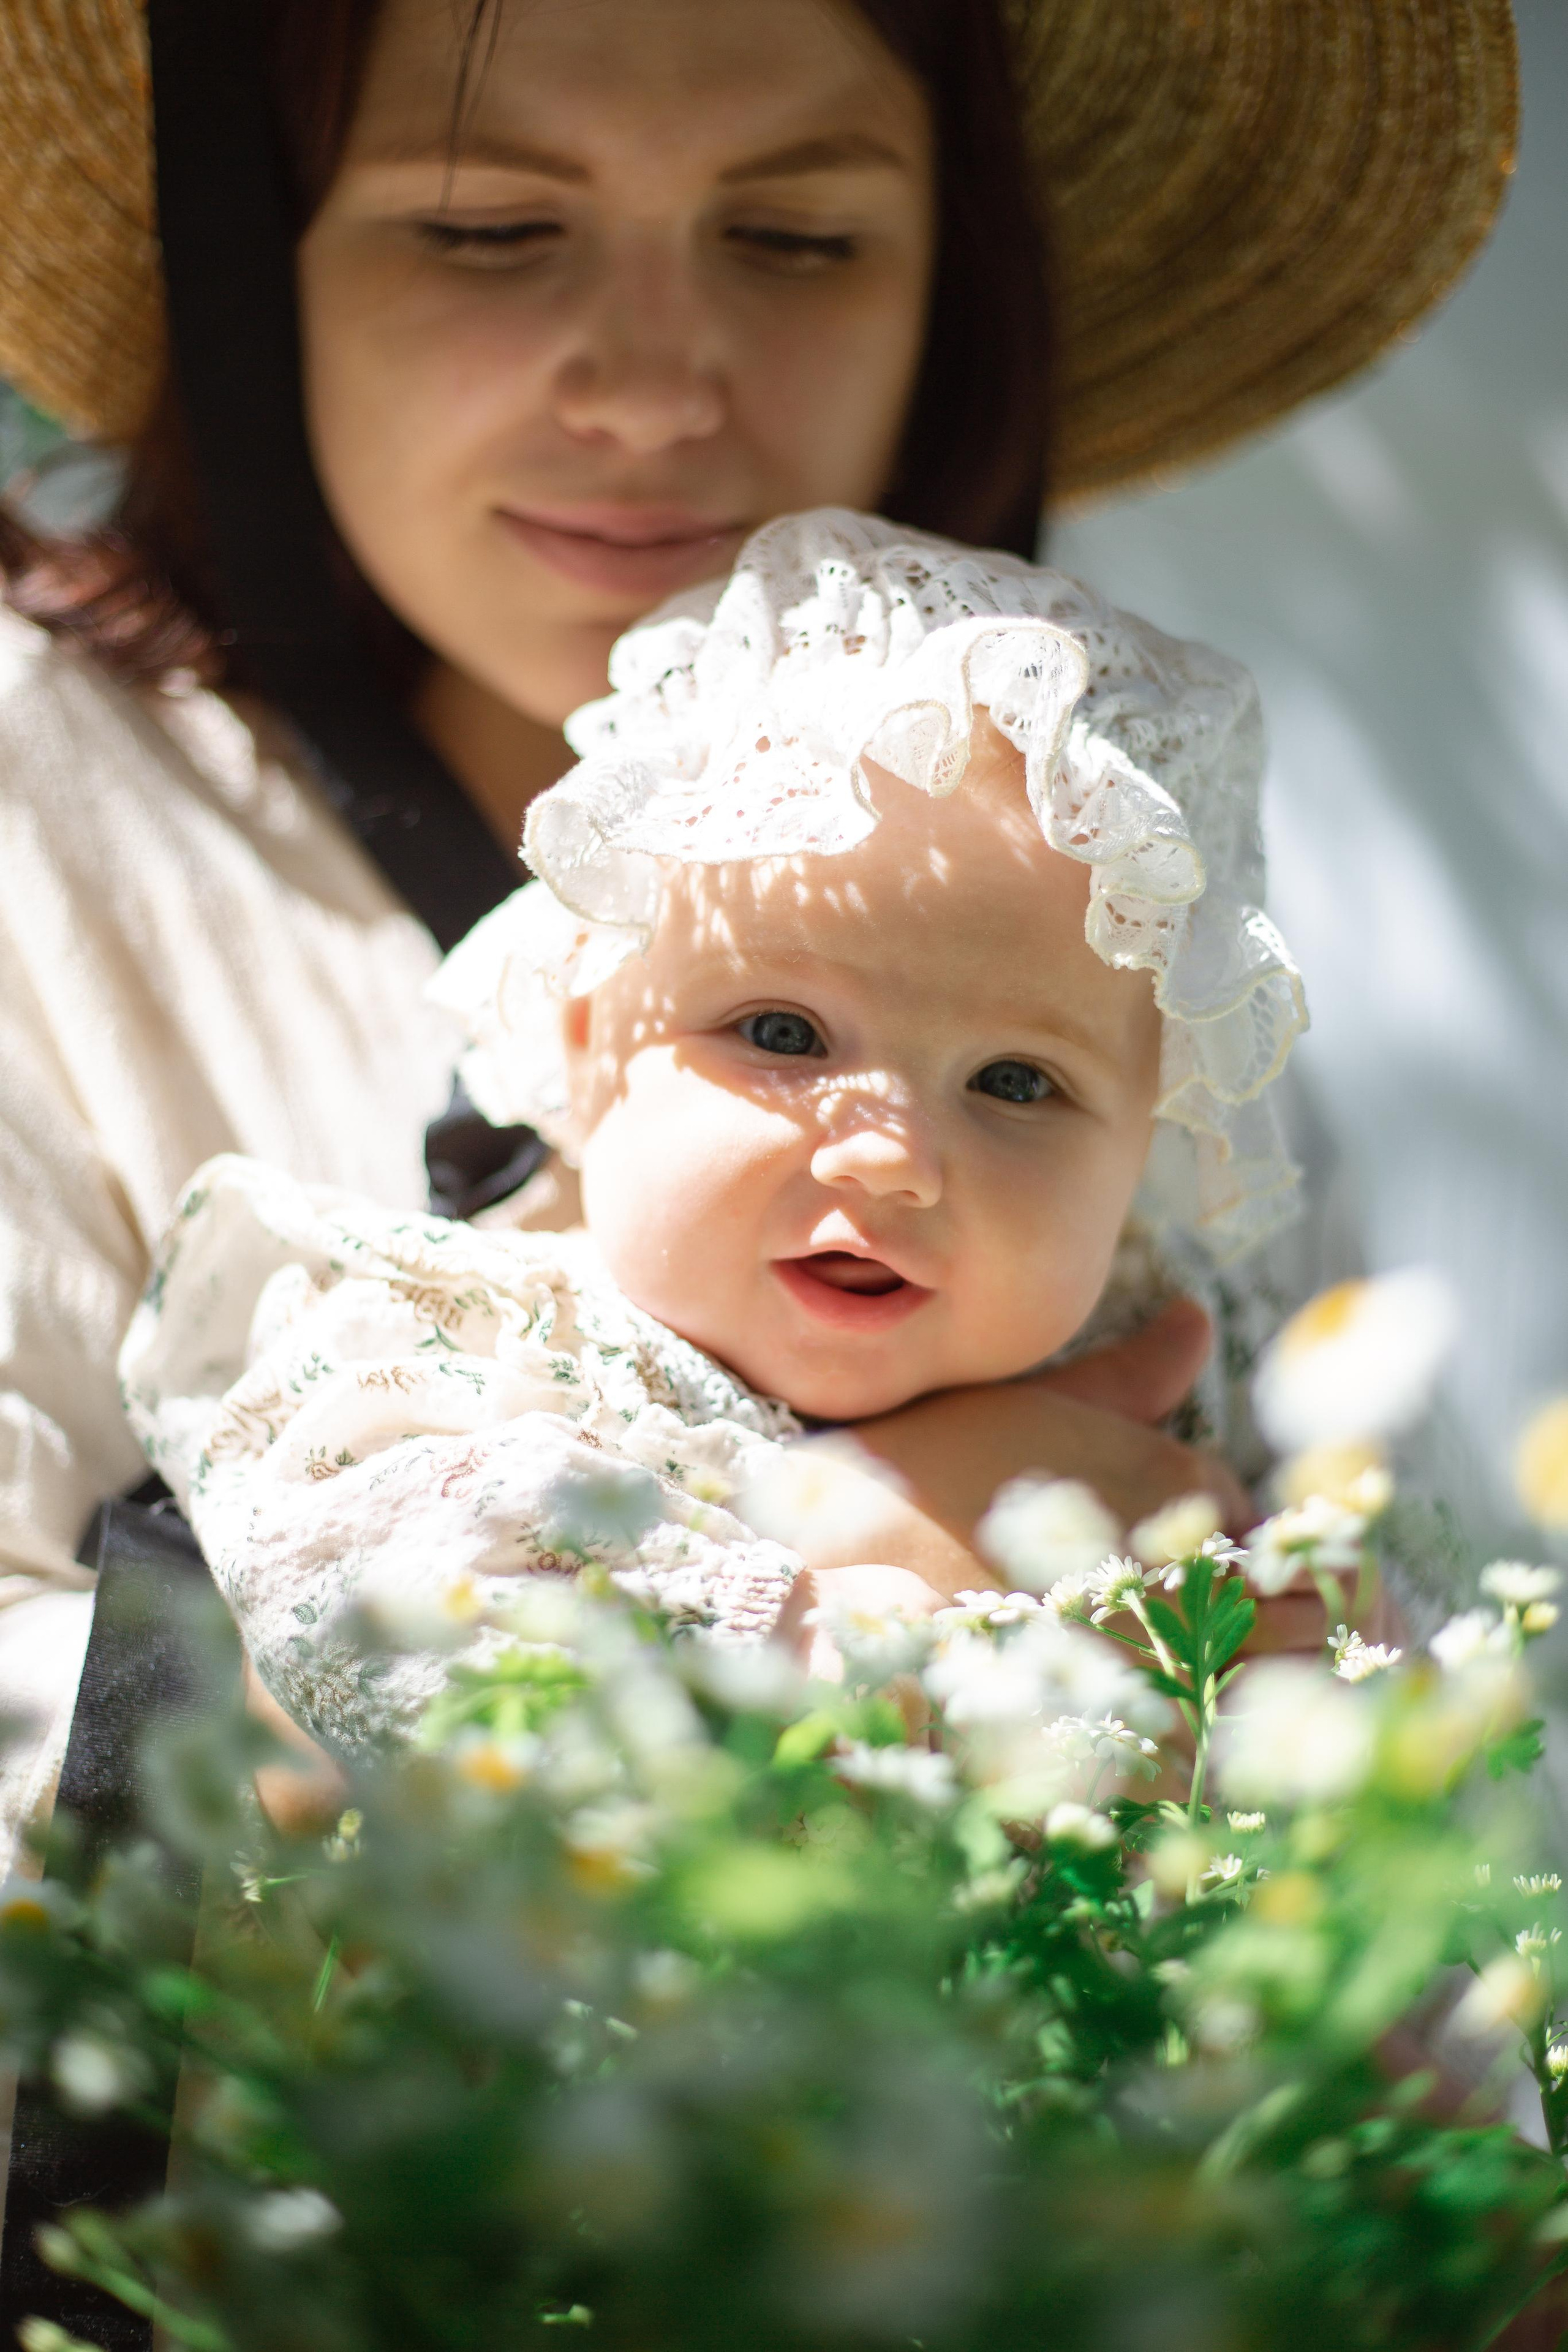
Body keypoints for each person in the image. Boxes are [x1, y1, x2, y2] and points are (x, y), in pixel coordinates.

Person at [0, 0, 1517, 1864]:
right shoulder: (36, 799)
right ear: (258, 250)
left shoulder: (1125, 889)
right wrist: (832, 1585)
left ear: (953, 284)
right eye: (487, 227)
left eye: (797, 235)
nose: (652, 386)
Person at [116, 508, 1306, 1754]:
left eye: (1015, 1082)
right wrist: (810, 1636)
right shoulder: (482, 1352)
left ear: (1142, 1151)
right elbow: (387, 1631)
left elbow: (1366, 1628)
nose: (889, 1154)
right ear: (586, 1044)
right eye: (783, 1036)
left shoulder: (1164, 1347)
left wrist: (1318, 1640)